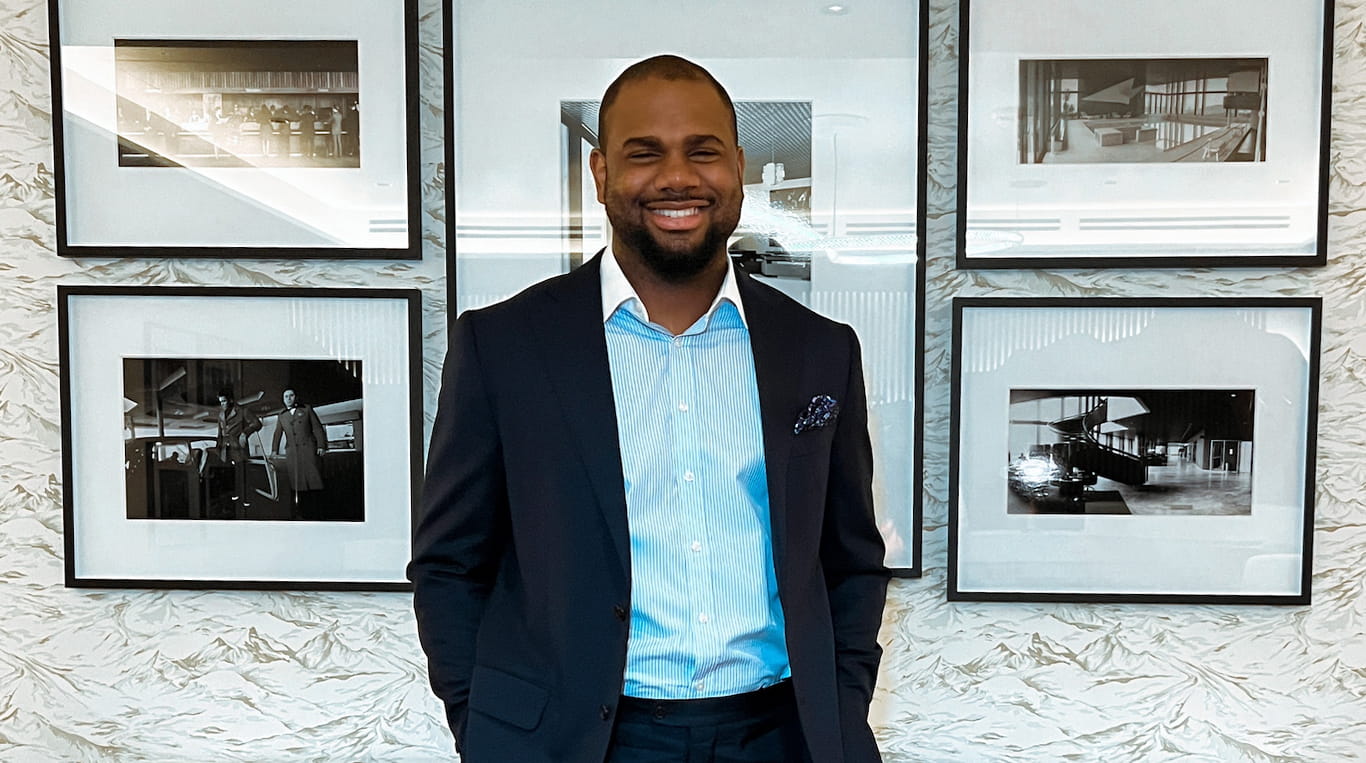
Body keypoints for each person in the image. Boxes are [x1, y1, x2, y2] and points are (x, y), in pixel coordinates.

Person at [408, 55, 887, 763]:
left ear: (739, 170)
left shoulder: (819, 349)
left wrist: (839, 709)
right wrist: (486, 725)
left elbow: (850, 561)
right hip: (575, 742)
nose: (678, 178)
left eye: (703, 152)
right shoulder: (503, 347)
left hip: (782, 736)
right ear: (601, 174)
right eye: (645, 153)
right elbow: (448, 565)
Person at [270, 388, 328, 520]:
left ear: (295, 397)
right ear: (283, 399)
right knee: (297, 483)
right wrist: (274, 450)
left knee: (314, 480)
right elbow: (277, 433)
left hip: (308, 450)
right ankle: (302, 513)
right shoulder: (281, 415)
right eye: (286, 396)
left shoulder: (306, 409)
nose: (288, 398)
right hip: (292, 453)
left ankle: (319, 512)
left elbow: (317, 428)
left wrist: (321, 445)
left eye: (291, 395)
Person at [215, 389, 262, 518]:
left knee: (242, 477)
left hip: (238, 449)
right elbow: (220, 434)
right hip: (225, 450)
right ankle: (230, 507)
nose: (222, 404)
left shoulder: (243, 411)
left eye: (224, 401)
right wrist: (217, 449)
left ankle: (246, 506)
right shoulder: (220, 415)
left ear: (230, 400)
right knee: (228, 479)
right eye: (220, 402)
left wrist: (244, 433)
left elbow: (257, 424)